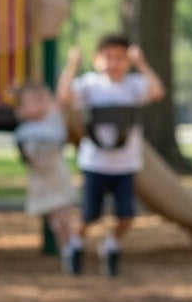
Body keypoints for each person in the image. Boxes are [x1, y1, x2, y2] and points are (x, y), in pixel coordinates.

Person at [57, 33, 165, 276]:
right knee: (89, 215)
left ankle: (112, 244)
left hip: (125, 163)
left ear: (128, 61)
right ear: (96, 60)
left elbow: (157, 92)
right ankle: (74, 244)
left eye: (120, 58)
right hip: (95, 162)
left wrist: (142, 64)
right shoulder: (90, 84)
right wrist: (72, 66)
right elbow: (64, 96)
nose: (114, 63)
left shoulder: (133, 85)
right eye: (108, 57)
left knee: (127, 214)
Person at [14, 81, 79, 273]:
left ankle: (70, 246)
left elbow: (58, 103)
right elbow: (29, 157)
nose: (38, 105)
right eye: (31, 102)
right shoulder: (25, 131)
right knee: (56, 218)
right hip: (42, 179)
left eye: (40, 100)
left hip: (57, 176)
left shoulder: (52, 121)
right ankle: (69, 246)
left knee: (63, 215)